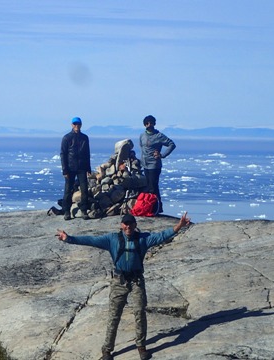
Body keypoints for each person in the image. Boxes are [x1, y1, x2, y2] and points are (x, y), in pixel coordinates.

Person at [55, 212, 191, 360]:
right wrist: (68, 239)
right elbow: (91, 240)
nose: (128, 227)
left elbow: (162, 236)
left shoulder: (143, 239)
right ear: (121, 225)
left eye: (131, 224)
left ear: (135, 225)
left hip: (136, 281)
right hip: (118, 281)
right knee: (114, 315)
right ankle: (107, 350)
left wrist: (179, 226)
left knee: (139, 311)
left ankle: (141, 346)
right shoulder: (112, 239)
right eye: (125, 224)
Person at [139, 115, 176, 213]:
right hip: (145, 165)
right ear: (144, 124)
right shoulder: (142, 135)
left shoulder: (159, 136)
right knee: (148, 186)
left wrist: (162, 155)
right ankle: (151, 207)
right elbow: (142, 148)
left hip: (154, 165)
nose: (149, 125)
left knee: (153, 187)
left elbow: (172, 144)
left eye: (151, 122)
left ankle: (156, 208)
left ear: (154, 124)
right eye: (147, 123)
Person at [60, 117, 92, 220]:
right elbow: (63, 154)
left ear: (81, 125)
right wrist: (65, 169)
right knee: (68, 190)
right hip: (70, 168)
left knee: (84, 190)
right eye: (75, 124)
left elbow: (87, 153)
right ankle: (66, 211)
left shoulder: (84, 138)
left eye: (78, 124)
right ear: (71, 125)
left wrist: (88, 168)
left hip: (82, 167)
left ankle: (84, 210)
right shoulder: (67, 138)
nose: (76, 126)